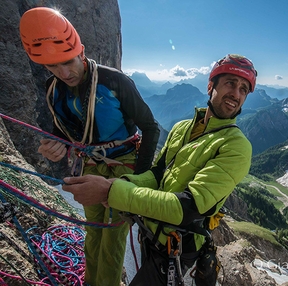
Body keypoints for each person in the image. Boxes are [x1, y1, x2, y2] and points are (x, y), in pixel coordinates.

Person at [62, 53, 257, 285]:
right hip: (152, 234)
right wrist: (121, 183)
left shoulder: (236, 146)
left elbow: (189, 207)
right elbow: (157, 174)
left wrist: (110, 192)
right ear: (210, 86)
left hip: (178, 249)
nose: (236, 94)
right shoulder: (182, 128)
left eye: (244, 89)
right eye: (230, 83)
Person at [19, 7, 160, 286]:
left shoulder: (114, 81)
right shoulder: (53, 89)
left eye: (68, 61)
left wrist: (135, 182)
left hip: (124, 165)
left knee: (113, 237)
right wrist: (54, 145)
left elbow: (151, 128)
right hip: (90, 165)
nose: (64, 72)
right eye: (53, 66)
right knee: (93, 231)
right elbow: (64, 128)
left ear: (80, 52)